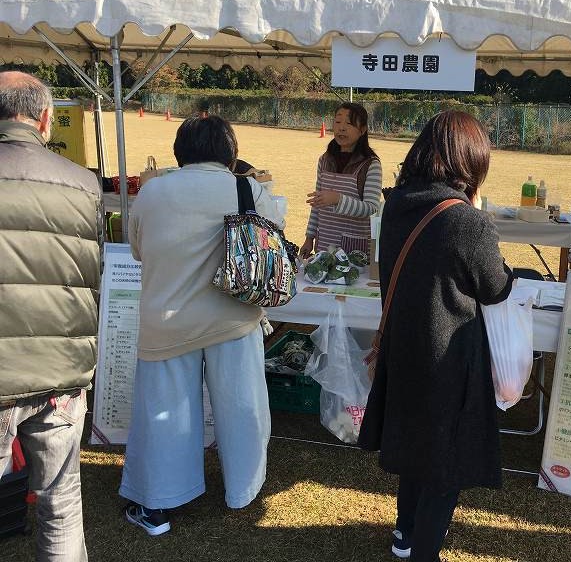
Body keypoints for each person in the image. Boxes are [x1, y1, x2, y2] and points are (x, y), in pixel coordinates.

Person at [358, 111, 514, 562]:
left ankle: (404, 534)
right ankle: (424, 548)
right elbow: (495, 286)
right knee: (445, 464)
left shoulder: (398, 204)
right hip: (448, 357)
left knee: (413, 447)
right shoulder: (467, 220)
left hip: (401, 348)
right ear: (469, 161)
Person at [119, 114, 284, 535]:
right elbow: (276, 229)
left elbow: (137, 248)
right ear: (231, 152)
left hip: (167, 320)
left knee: (165, 414)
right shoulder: (246, 188)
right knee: (243, 407)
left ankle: (158, 505)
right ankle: (243, 490)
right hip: (235, 318)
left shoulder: (152, 192)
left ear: (180, 150)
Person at [0, 71, 101, 561]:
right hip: (60, 371)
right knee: (60, 503)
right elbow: (89, 276)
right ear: (45, 118)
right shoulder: (83, 184)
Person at [299, 102, 382, 258]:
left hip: (355, 252)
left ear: (362, 130)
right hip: (324, 246)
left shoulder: (371, 164)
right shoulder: (324, 160)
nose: (341, 128)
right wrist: (309, 238)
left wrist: (338, 199)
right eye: (337, 122)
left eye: (349, 123)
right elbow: (317, 204)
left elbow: (371, 208)